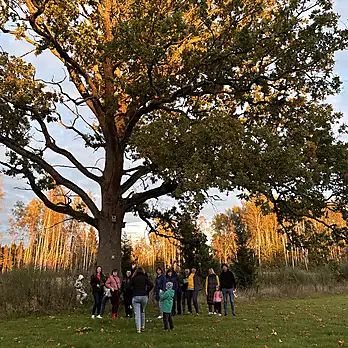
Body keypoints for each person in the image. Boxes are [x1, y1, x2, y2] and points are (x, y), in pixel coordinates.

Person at [131, 267, 154, 333]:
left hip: (136, 296)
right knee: (142, 311)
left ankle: (138, 329)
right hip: (144, 296)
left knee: (137, 313)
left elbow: (128, 286)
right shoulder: (145, 278)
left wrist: (133, 290)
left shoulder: (134, 278)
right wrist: (147, 291)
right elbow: (151, 285)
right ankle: (143, 326)